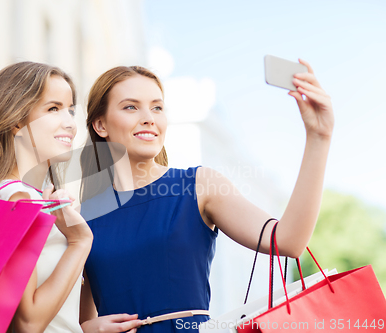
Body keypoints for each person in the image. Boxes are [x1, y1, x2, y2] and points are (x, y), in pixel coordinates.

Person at [78, 62, 334, 332]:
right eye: (131, 107)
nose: (149, 117)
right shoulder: (83, 216)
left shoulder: (199, 185)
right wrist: (88, 330)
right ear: (100, 124)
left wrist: (319, 137)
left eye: (157, 107)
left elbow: (288, 241)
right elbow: (81, 318)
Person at [0, 61, 93, 333]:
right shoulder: (16, 199)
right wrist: (80, 242)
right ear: (16, 120)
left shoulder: (23, 198)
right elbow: (28, 323)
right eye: (53, 109)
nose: (70, 123)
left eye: (70, 110)